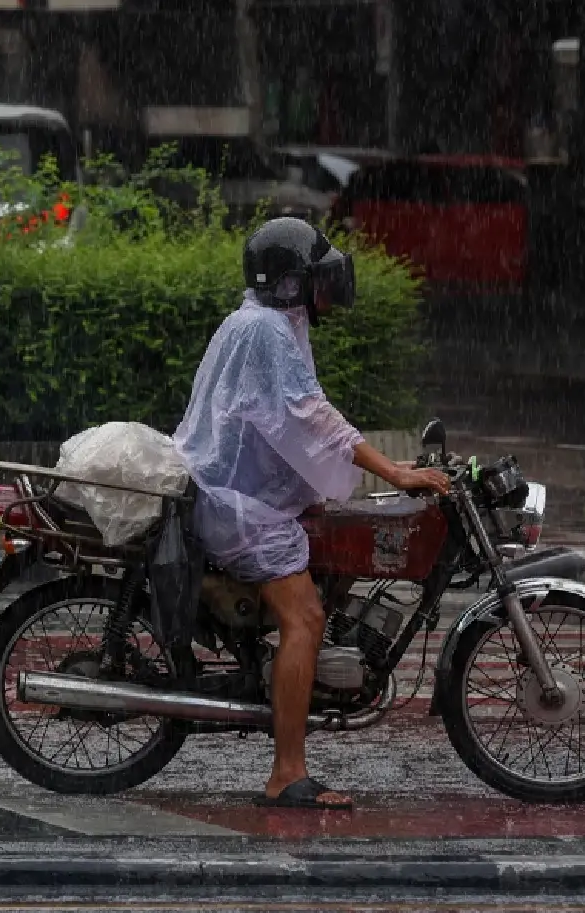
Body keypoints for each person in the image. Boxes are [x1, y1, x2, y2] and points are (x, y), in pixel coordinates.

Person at [173, 216, 451, 811]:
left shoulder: (261, 321)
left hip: (245, 494)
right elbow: (310, 417)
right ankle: (286, 774)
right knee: (307, 618)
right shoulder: (267, 331)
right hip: (239, 507)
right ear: (291, 285)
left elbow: (278, 424)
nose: (328, 290)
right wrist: (395, 472)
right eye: (316, 279)